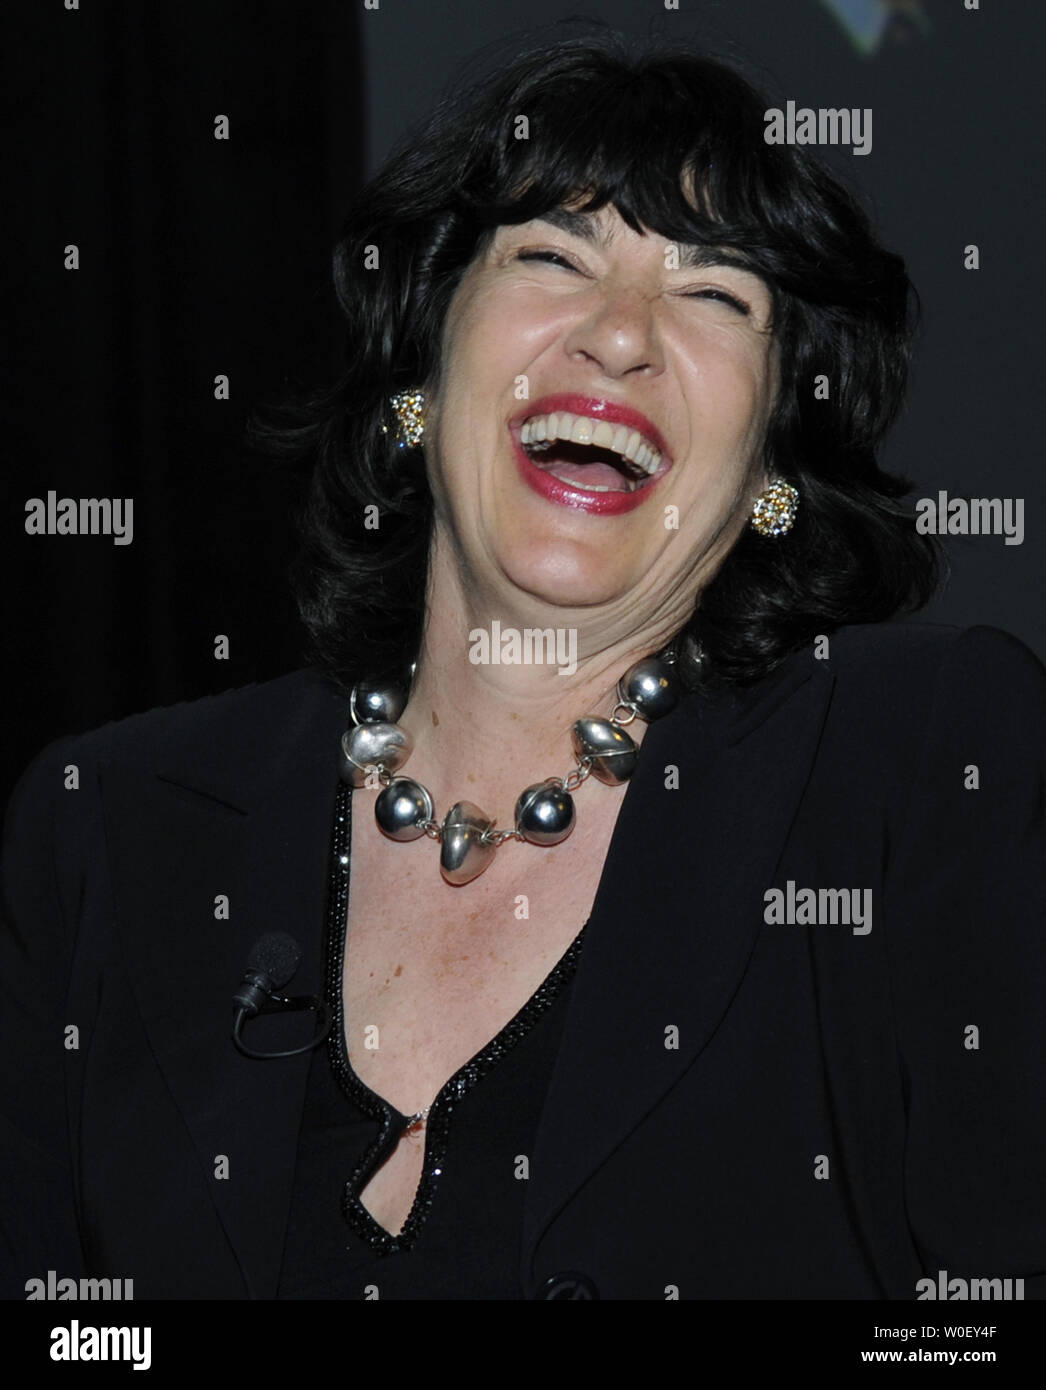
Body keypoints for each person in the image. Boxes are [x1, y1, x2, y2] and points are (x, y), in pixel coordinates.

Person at [2, 30, 1044, 1302]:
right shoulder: (107, 831)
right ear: (423, 374)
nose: (620, 336)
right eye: (553, 254)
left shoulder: (916, 767)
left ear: (772, 462)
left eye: (717, 295)